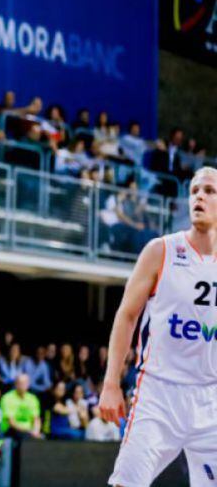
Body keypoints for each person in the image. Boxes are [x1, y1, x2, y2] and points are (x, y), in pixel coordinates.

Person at [99, 167, 217, 487]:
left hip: (211, 398)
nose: (200, 197)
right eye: (194, 191)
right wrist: (111, 382)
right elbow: (126, 316)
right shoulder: (160, 250)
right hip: (159, 393)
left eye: (209, 191)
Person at [0, 373, 42, 441]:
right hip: (11, 430)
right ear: (16, 384)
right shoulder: (7, 398)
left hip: (29, 432)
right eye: (20, 383)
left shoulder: (33, 399)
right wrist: (29, 431)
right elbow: (11, 422)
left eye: (25, 383)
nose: (23, 385)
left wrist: (36, 431)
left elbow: (36, 419)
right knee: (24, 437)